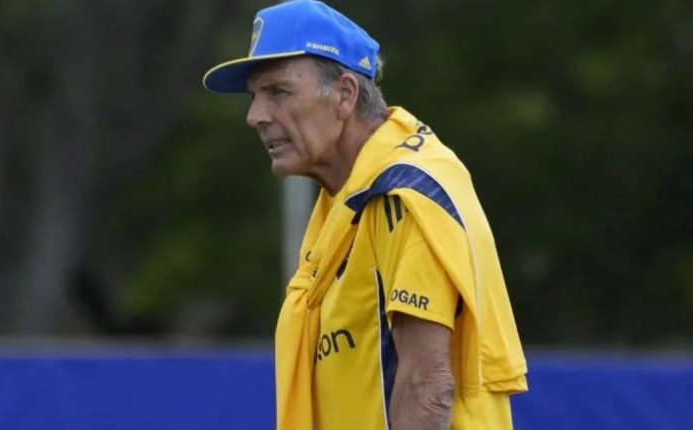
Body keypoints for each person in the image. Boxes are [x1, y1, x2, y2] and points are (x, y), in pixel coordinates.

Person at [202, 1, 528, 429]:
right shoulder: (349, 198)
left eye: (278, 92)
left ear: (345, 94)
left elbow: (427, 385)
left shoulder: (403, 194)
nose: (255, 116)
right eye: (254, 96)